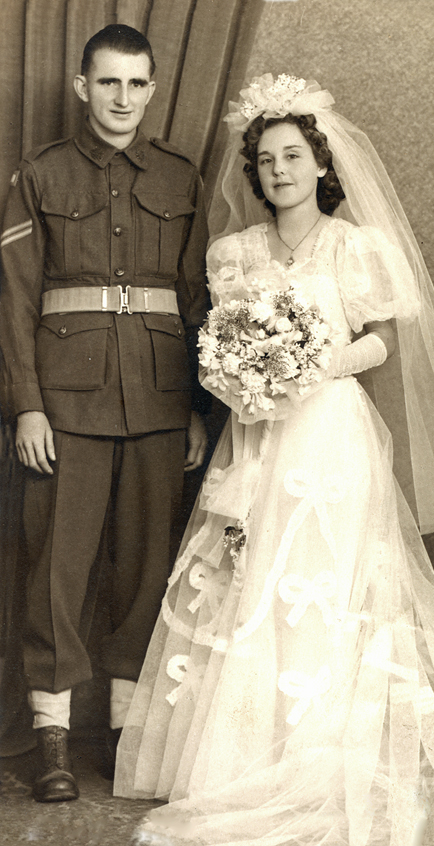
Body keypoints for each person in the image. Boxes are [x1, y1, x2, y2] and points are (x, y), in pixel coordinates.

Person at [114, 74, 434, 846]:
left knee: (325, 579)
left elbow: (384, 340)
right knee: (245, 573)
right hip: (258, 433)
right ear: (252, 173)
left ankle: (325, 743)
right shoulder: (234, 253)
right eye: (265, 161)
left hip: (329, 432)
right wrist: (243, 378)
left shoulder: (357, 248)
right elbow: (222, 343)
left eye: (293, 156)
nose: (279, 171)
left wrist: (320, 362)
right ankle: (237, 755)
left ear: (323, 165)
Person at [0, 24, 209, 802]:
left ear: (152, 91)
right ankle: (50, 741)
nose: (124, 98)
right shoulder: (41, 174)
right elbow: (14, 300)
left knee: (145, 568)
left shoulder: (180, 179)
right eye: (109, 83)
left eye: (137, 84)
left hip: (157, 400)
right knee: (56, 569)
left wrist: (193, 410)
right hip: (65, 404)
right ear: (83, 86)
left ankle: (124, 735)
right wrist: (27, 406)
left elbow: (194, 304)